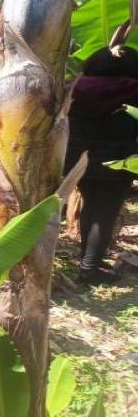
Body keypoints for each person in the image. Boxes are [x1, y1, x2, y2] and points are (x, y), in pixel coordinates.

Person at [66, 46, 138, 285]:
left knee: (90, 208)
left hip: (79, 160)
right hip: (119, 161)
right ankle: (89, 268)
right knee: (104, 213)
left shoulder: (75, 88)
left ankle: (89, 259)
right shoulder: (133, 90)